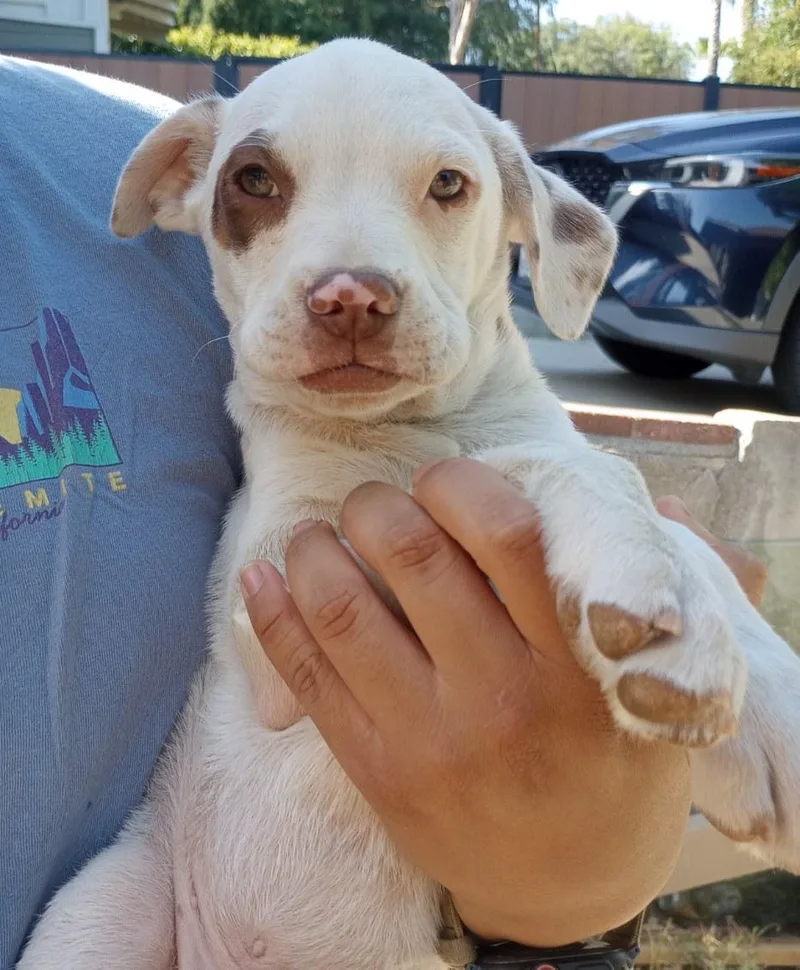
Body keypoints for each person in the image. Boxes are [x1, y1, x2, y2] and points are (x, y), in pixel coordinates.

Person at [0, 54, 767, 968]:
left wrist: (591, 882)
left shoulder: (546, 450)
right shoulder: (290, 436)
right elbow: (287, 660)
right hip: (169, 892)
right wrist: (585, 498)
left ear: (528, 222)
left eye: (443, 186)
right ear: (184, 187)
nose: (350, 289)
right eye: (259, 184)